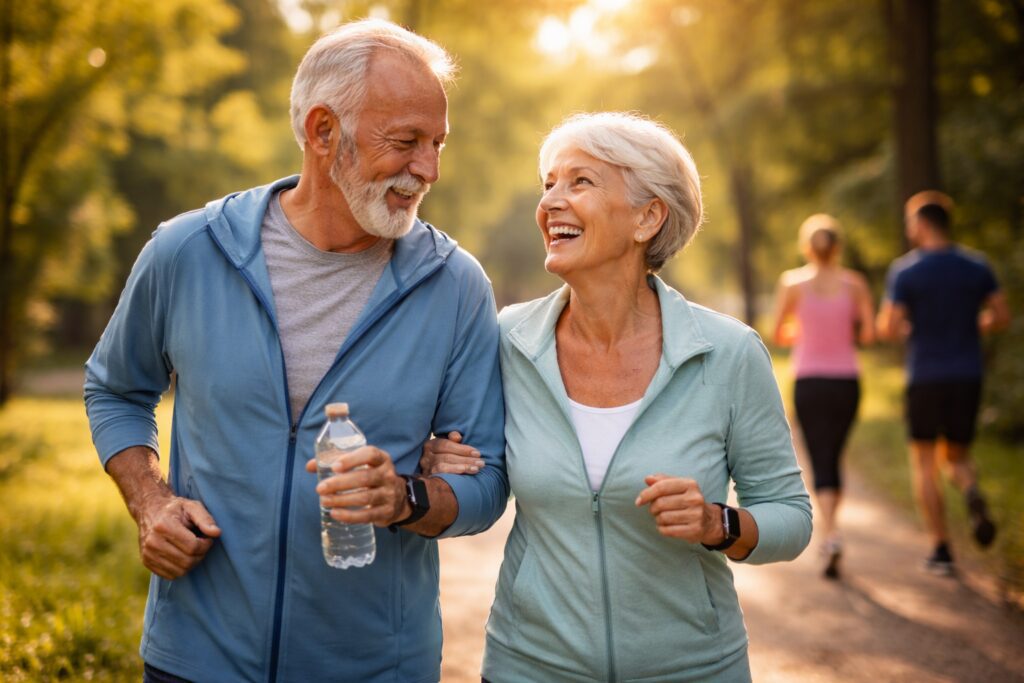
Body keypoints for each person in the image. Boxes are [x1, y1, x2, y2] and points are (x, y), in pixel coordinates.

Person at [84, 20, 508, 683]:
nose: (428, 170)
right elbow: (116, 386)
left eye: (437, 144)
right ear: (321, 132)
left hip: (377, 668)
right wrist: (151, 500)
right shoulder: (187, 250)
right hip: (195, 659)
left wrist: (406, 497)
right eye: (405, 143)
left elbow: (485, 483)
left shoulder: (456, 287)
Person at [421, 112, 812, 682]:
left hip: (692, 669)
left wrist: (716, 523)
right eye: (548, 183)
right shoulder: (506, 340)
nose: (552, 201)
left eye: (580, 182)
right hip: (530, 665)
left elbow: (791, 517)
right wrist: (443, 459)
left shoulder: (726, 352)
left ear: (648, 217)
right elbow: (478, 475)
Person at [877, 190, 1009, 576]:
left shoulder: (906, 271)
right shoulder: (976, 266)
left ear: (921, 224)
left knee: (923, 462)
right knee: (958, 456)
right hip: (967, 375)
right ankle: (971, 491)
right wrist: (974, 324)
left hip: (925, 377)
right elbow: (1000, 315)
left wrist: (911, 329)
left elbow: (888, 326)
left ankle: (941, 549)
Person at [772, 214, 874, 579]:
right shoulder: (855, 284)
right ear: (839, 247)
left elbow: (777, 332)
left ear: (806, 248)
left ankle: (830, 535)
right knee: (835, 452)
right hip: (847, 381)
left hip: (809, 381)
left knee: (819, 454)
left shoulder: (793, 283)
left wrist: (803, 332)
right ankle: (832, 531)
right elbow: (870, 334)